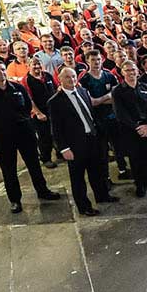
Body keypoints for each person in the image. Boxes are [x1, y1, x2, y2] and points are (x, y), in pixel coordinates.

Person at [0, 61, 61, 213]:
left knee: (34, 165)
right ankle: (15, 200)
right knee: (9, 170)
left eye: (2, 69)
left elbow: (27, 106)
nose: (1, 73)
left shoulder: (18, 88)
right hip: (3, 136)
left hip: (24, 133)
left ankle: (43, 191)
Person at [49, 68, 117, 216]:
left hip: (92, 138)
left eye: (73, 76)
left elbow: (90, 113)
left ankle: (102, 196)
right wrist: (64, 148)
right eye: (67, 77)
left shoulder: (83, 92)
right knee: (78, 177)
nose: (71, 79)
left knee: (97, 171)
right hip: (74, 144)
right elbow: (56, 128)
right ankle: (84, 207)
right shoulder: (55, 101)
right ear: (60, 80)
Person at [79, 50, 128, 182]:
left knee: (118, 146)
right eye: (93, 60)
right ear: (87, 62)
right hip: (97, 120)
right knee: (102, 151)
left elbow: (116, 98)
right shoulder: (84, 80)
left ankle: (123, 170)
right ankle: (105, 177)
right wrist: (106, 96)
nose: (96, 62)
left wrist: (100, 99)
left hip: (113, 116)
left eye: (98, 60)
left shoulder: (109, 76)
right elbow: (91, 102)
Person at [111, 60, 147, 197]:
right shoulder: (118, 91)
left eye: (133, 70)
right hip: (131, 131)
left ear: (138, 71)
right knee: (135, 159)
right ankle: (140, 185)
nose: (131, 72)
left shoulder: (144, 87)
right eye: (127, 70)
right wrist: (137, 127)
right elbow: (120, 114)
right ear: (122, 72)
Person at [24, 57, 58, 169]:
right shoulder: (26, 80)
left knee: (57, 133)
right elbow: (29, 99)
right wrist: (38, 113)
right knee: (45, 137)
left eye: (38, 64)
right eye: (34, 64)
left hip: (52, 110)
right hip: (39, 113)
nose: (37, 66)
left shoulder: (47, 75)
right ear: (28, 66)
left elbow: (56, 89)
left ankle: (60, 153)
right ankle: (46, 158)